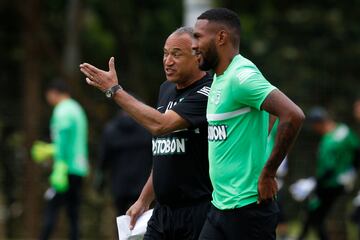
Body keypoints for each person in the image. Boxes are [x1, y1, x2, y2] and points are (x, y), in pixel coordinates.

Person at [80, 27, 213, 239]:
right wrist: (143, 200)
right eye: (165, 53)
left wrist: (114, 91)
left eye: (176, 54)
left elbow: (160, 125)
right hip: (163, 212)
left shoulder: (208, 92)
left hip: (197, 211)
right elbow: (165, 154)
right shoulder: (166, 89)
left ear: (198, 57)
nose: (168, 61)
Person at [192, 8, 305, 239]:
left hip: (248, 210)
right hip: (220, 205)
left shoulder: (241, 76)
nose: (194, 44)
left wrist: (268, 172)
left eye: (198, 36)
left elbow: (292, 115)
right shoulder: (220, 76)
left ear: (221, 37)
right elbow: (268, 113)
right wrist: (255, 136)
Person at [32, 80, 89, 240]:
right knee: (73, 213)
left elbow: (62, 140)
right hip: (79, 167)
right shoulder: (77, 109)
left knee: (51, 209)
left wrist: (58, 162)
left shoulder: (62, 111)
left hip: (65, 169)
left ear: (53, 93)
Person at [298, 107, 360, 240]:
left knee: (315, 214)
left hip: (330, 184)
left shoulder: (330, 140)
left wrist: (314, 183)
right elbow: (357, 151)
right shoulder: (343, 131)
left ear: (319, 123)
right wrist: (352, 171)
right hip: (338, 182)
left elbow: (329, 168)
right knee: (315, 215)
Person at [96, 110, 152, 215]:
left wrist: (100, 178)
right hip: (142, 185)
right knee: (144, 220)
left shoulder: (110, 130)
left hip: (119, 185)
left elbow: (104, 158)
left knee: (122, 219)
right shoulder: (146, 128)